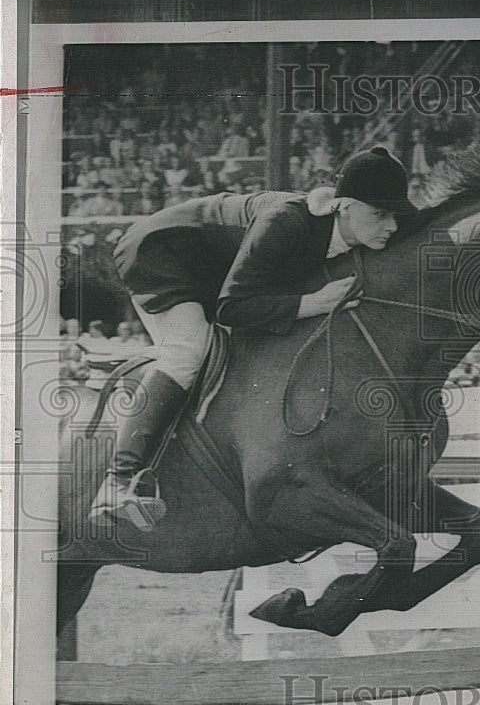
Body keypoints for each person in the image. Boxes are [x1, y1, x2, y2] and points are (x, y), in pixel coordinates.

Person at [89, 146, 413, 531]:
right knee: (189, 351)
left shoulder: (350, 230)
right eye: (380, 214)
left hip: (214, 267)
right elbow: (232, 310)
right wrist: (313, 303)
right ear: (343, 206)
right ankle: (119, 480)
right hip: (161, 253)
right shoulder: (288, 223)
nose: (391, 226)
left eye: (395, 214)